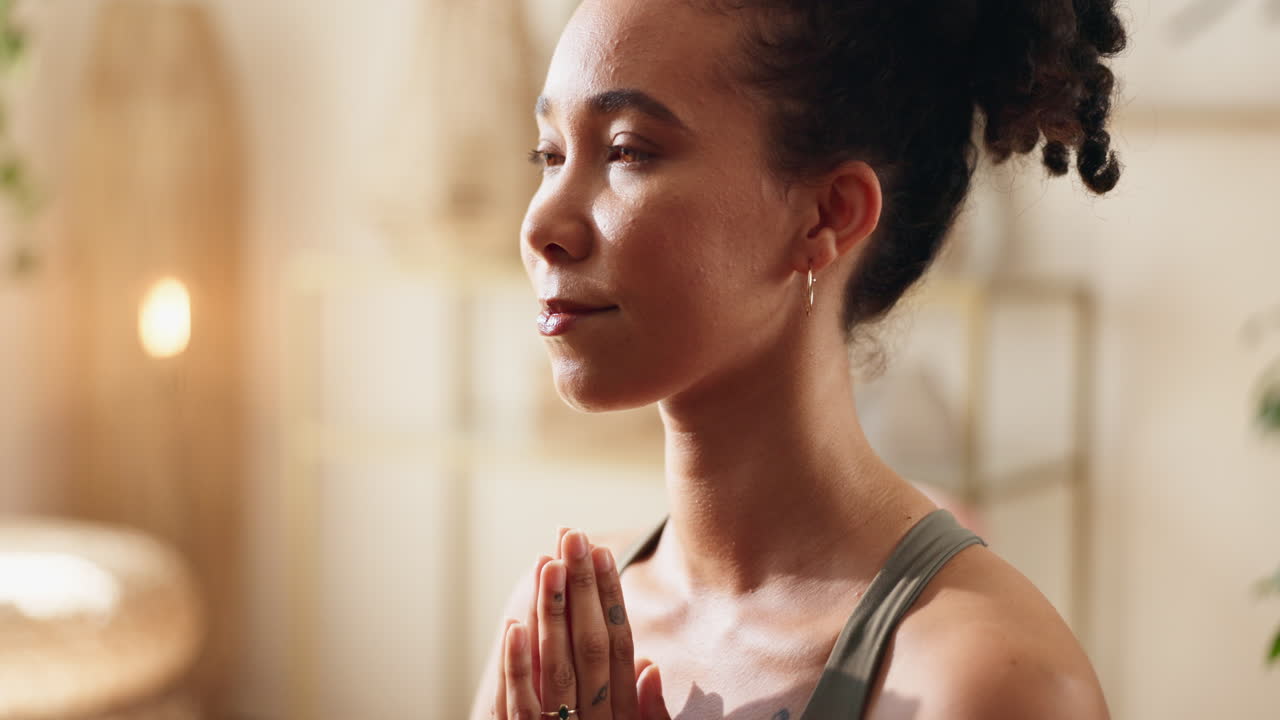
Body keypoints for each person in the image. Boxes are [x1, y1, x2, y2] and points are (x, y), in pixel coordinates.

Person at [471, 0, 1126, 717]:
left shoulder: (991, 682)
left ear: (827, 215)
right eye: (550, 154)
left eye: (627, 151)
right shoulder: (569, 634)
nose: (541, 225)